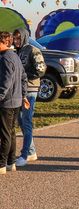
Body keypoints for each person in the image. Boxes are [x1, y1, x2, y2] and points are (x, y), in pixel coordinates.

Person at [12, 28, 46, 167]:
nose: (16, 41)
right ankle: (32, 151)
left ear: (25, 37)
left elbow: (41, 69)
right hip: (19, 90)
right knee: (20, 120)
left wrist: (24, 76)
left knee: (26, 120)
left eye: (19, 38)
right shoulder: (16, 52)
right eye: (15, 38)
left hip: (30, 90)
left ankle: (25, 154)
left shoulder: (33, 50)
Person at [0, 32, 29, 174]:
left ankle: (1, 164)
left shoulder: (5, 58)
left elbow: (6, 81)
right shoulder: (15, 56)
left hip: (7, 102)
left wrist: (0, 96)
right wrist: (23, 95)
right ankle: (11, 162)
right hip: (16, 100)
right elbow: (24, 77)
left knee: (5, 134)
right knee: (11, 132)